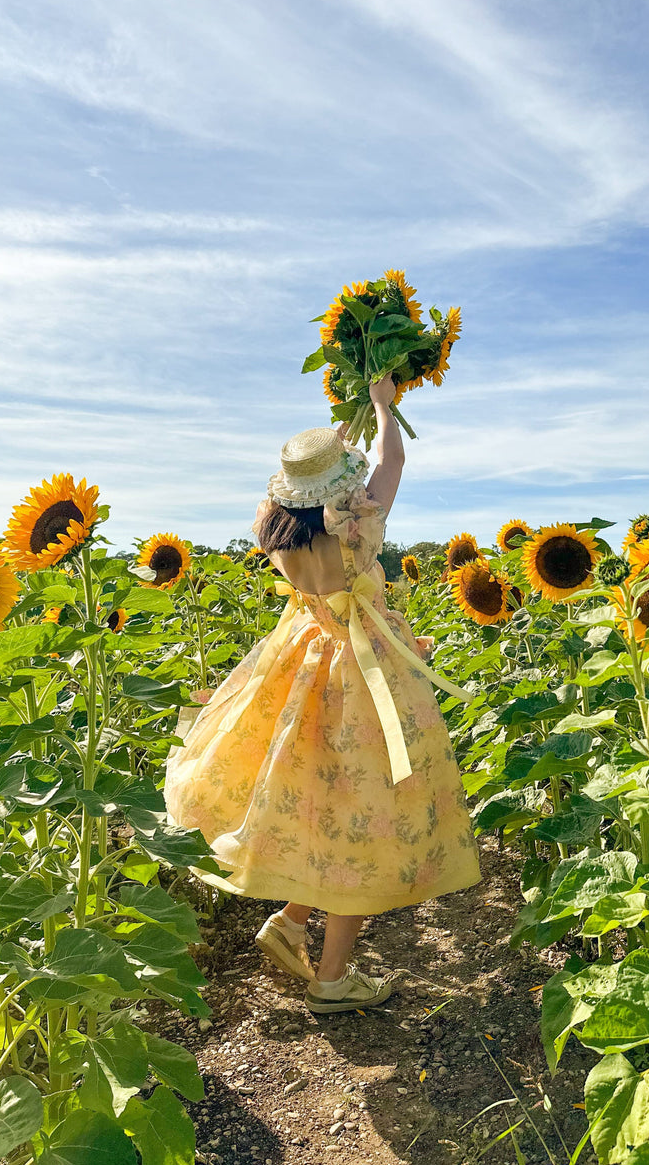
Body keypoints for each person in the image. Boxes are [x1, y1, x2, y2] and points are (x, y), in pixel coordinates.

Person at [164, 375, 481, 1014]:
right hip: (362, 676)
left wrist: (328, 447)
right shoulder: (356, 522)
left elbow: (301, 491)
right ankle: (332, 979)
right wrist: (383, 409)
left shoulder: (274, 528)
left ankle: (290, 921)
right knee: (362, 822)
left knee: (312, 802)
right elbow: (392, 460)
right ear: (339, 484)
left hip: (303, 659)